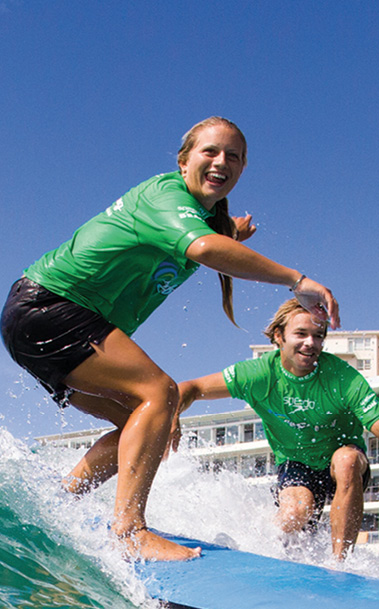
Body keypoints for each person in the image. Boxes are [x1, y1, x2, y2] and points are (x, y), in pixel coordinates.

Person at [1, 117, 339, 561]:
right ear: (183, 162)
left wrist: (232, 231)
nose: (222, 162)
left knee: (141, 425)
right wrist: (297, 280)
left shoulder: (197, 217)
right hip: (51, 307)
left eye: (234, 157)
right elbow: (203, 248)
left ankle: (64, 500)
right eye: (211, 152)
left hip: (37, 319)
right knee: (160, 394)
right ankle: (130, 531)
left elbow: (212, 238)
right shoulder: (165, 195)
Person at [178, 299, 379, 560]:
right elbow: (190, 388)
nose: (310, 342)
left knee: (346, 460)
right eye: (300, 334)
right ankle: (273, 559)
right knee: (294, 514)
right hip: (296, 463)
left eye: (318, 336)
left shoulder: (341, 377)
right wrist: (173, 415)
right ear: (279, 336)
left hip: (344, 465)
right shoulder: (259, 374)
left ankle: (341, 565)